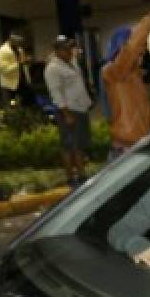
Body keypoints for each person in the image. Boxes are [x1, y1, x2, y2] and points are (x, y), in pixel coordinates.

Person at [101, 0, 150, 159]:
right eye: (140, 50)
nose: (141, 53)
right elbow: (131, 48)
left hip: (137, 146)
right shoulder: (113, 72)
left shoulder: (135, 75)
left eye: (142, 51)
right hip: (125, 150)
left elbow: (140, 114)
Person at [44, 35, 93, 185]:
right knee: (70, 146)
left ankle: (81, 173)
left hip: (81, 108)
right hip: (69, 111)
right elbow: (56, 93)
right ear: (57, 50)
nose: (70, 51)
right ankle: (72, 177)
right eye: (65, 49)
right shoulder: (52, 68)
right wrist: (66, 114)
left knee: (80, 144)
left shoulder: (71, 62)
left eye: (70, 48)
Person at [0, 33, 30, 105]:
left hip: (22, 81)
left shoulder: (19, 49)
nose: (19, 44)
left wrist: (26, 62)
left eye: (20, 42)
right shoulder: (2, 51)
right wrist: (19, 63)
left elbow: (23, 63)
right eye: (18, 42)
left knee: (26, 103)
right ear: (11, 40)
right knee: (12, 105)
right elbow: (3, 69)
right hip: (9, 85)